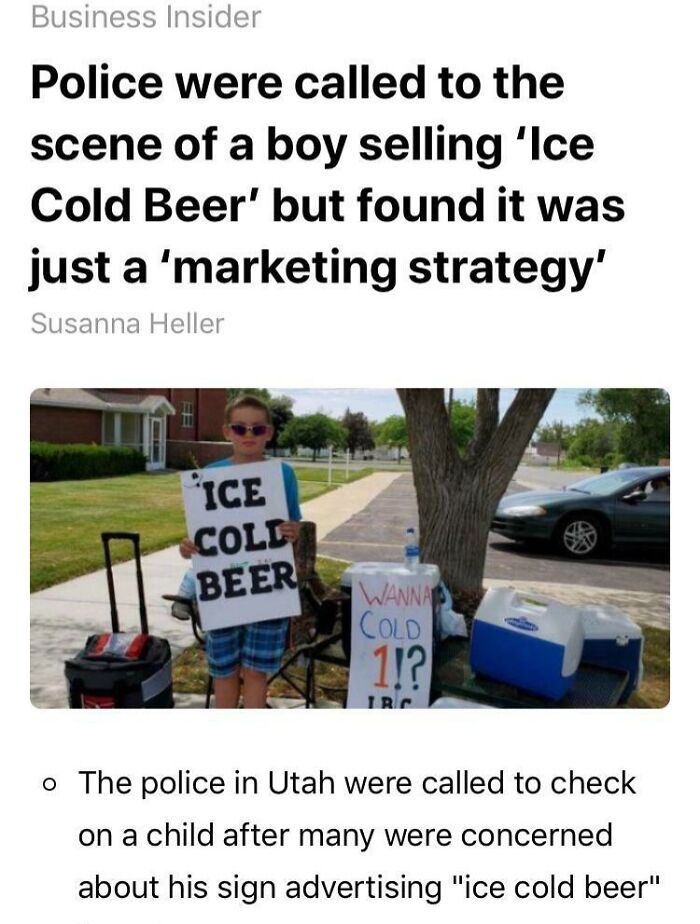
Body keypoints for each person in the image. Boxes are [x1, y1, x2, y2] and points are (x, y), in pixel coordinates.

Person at [179, 395, 301, 708]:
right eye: (240, 427)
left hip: (266, 589)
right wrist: (188, 546)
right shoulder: (210, 474)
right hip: (224, 592)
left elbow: (294, 525)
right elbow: (204, 534)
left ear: (269, 433)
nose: (248, 434)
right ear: (227, 432)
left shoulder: (283, 475)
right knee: (224, 672)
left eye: (257, 429)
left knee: (256, 672)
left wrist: (293, 530)